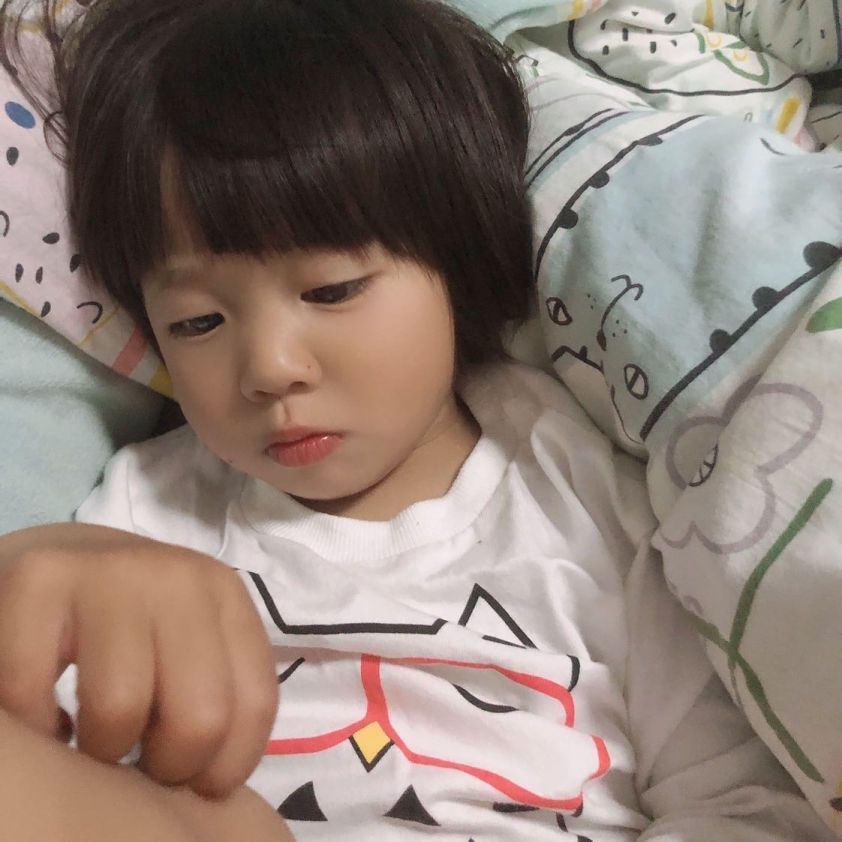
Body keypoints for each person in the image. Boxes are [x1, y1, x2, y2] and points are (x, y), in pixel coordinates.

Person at [0, 0, 836, 840]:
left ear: (459, 261)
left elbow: (742, 802)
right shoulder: (144, 514)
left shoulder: (582, 491)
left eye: (331, 290)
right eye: (197, 322)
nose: (269, 368)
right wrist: (34, 561)